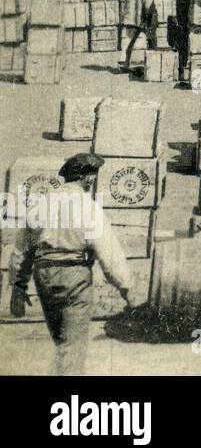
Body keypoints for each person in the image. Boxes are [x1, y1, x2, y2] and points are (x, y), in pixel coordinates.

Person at [9, 154, 136, 375]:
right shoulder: (88, 206)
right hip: (74, 277)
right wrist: (128, 289)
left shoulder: (41, 204)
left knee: (62, 342)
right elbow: (109, 252)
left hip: (44, 277)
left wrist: (18, 288)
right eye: (93, 178)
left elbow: (22, 248)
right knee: (73, 346)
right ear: (87, 178)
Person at [119, 0, 156, 75]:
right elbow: (148, 2)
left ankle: (125, 64)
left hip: (130, 17)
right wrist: (149, 19)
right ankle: (153, 65)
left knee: (129, 42)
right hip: (141, 18)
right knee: (151, 40)